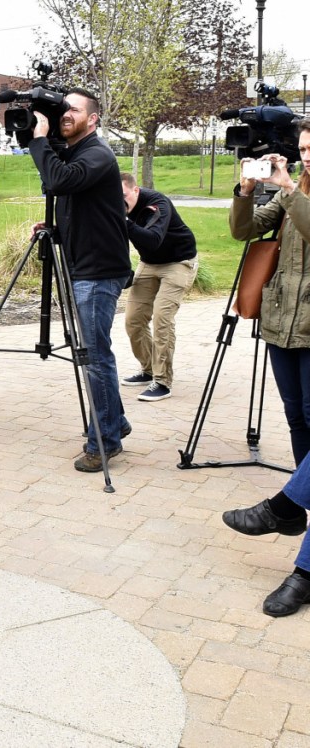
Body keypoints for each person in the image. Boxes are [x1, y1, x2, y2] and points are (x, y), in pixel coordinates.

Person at [221, 118, 310, 617]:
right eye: (302, 149)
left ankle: (286, 509)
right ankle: (296, 507)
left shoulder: (299, 190)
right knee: (298, 421)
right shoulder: (294, 188)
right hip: (281, 325)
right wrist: (246, 189)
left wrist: (291, 188)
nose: (307, 155)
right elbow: (242, 231)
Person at [28, 88, 132, 472]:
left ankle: (103, 440)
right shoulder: (76, 152)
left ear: (93, 118)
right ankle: (115, 422)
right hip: (83, 264)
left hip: (99, 271)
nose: (66, 114)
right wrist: (55, 224)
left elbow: (60, 180)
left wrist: (40, 141)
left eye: (74, 110)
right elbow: (67, 191)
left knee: (93, 356)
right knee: (93, 352)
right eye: (63, 110)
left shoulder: (98, 153)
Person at [119, 172, 199, 402]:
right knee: (133, 320)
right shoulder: (116, 206)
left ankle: (163, 382)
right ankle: (148, 369)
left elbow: (152, 239)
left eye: (124, 195)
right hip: (149, 263)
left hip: (178, 262)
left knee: (162, 318)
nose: (120, 201)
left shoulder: (157, 203)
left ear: (136, 190)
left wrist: (123, 221)